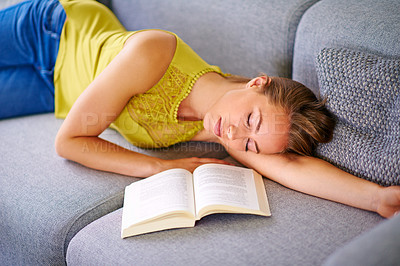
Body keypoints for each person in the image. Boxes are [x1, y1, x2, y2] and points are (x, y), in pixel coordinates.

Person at [1, 0, 399, 218]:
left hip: (52, 92)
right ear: (257, 82)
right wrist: (160, 167)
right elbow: (70, 141)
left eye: (253, 145)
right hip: (53, 30)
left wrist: (376, 198)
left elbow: (293, 168)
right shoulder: (153, 51)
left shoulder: (236, 131)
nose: (236, 138)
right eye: (250, 120)